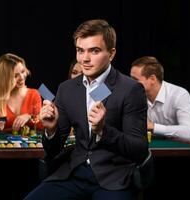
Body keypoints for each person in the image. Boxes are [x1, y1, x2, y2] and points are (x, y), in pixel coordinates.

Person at [25, 19, 149, 200]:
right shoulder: (66, 89)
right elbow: (53, 150)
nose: (85, 59)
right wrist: (51, 130)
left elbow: (139, 149)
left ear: (111, 53)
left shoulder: (131, 90)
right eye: (80, 50)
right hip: (73, 174)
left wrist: (102, 131)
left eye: (95, 51)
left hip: (113, 179)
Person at [130, 56, 190, 140]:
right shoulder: (135, 96)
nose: (130, 83)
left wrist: (153, 127)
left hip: (187, 149)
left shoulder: (179, 94)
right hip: (156, 147)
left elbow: (189, 132)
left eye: (135, 79)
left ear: (152, 79)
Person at [0, 53, 42, 132]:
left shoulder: (34, 94)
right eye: (15, 76)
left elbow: (41, 127)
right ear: (4, 78)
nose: (22, 77)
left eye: (23, 71)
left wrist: (29, 117)